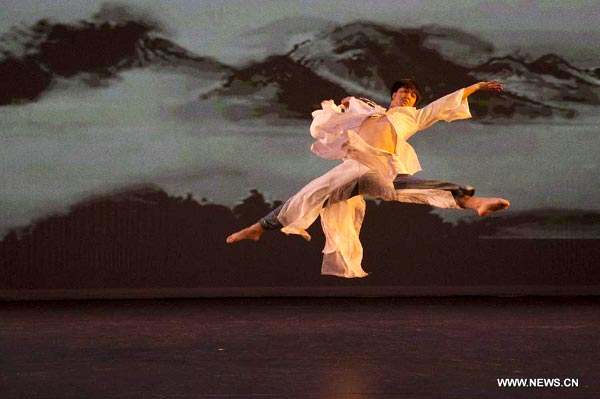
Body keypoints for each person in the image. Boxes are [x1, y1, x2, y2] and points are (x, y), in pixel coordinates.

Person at [226, 78, 510, 278]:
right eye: (403, 91)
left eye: (412, 94)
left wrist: (476, 87)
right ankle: (258, 228)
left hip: (382, 167)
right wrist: (348, 104)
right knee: (307, 197)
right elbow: (348, 107)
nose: (408, 95)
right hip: (352, 167)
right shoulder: (373, 112)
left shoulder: (414, 117)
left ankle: (475, 203)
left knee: (410, 188)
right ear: (393, 95)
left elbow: (443, 104)